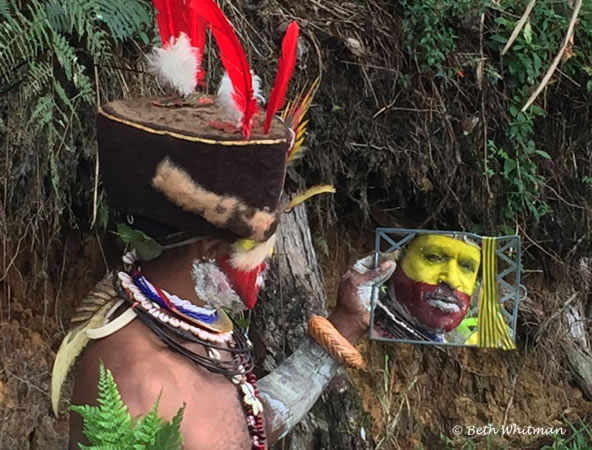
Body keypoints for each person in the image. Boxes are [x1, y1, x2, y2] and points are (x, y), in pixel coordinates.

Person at [50, 1, 394, 448]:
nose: (266, 263)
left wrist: (346, 321)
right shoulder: (139, 384)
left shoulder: (191, 326)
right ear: (211, 252)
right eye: (262, 244)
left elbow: (242, 425)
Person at [374, 234, 481, 343]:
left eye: (466, 266)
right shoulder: (367, 320)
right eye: (434, 257)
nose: (452, 281)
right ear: (396, 261)